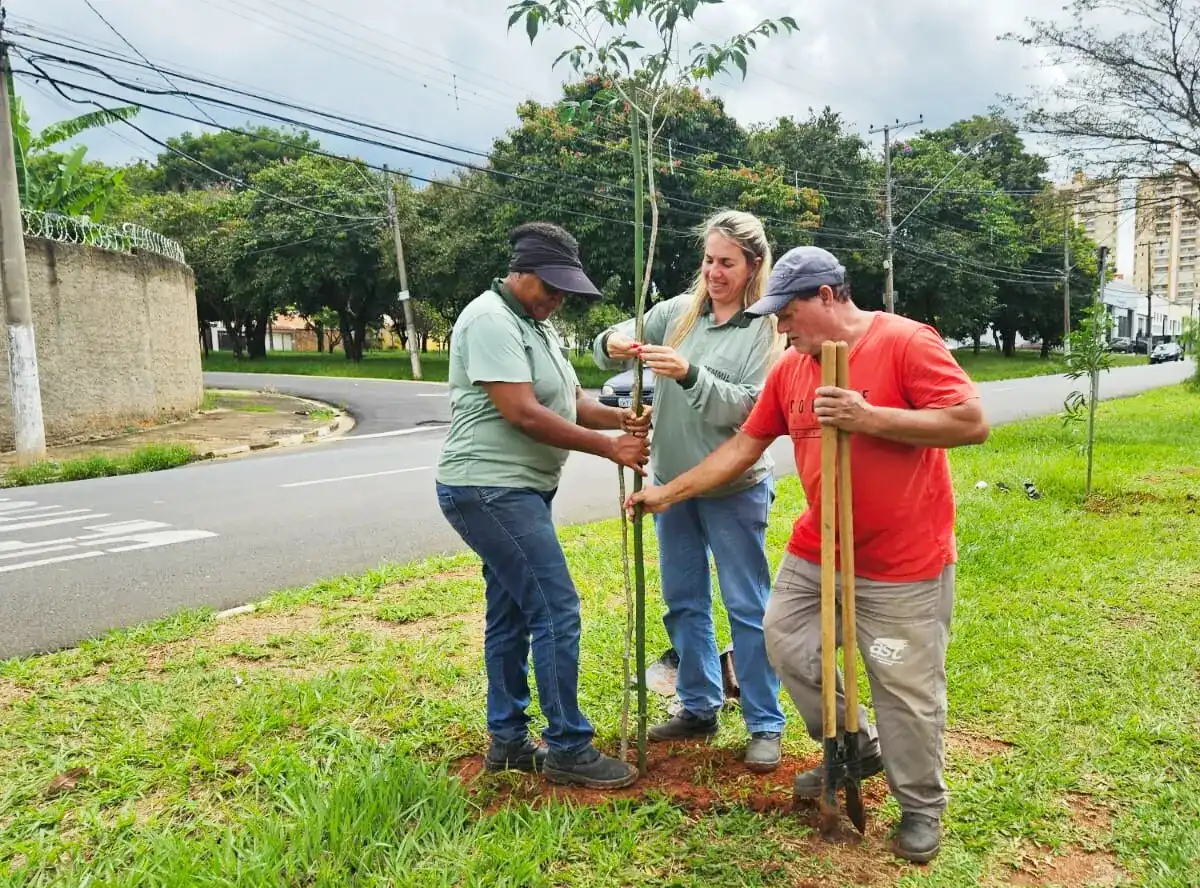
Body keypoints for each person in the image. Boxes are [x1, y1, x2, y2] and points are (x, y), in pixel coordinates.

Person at [626, 246, 989, 863]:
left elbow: (970, 421)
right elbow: (744, 447)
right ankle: (853, 747)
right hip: (819, 549)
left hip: (903, 562)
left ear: (827, 297)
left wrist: (868, 416)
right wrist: (670, 492)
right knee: (784, 642)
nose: (780, 327)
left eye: (788, 313)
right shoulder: (792, 370)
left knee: (903, 685)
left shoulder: (906, 342)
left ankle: (921, 806)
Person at [436, 221, 652, 790]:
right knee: (557, 609)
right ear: (523, 272)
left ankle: (507, 741)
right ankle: (568, 747)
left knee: (510, 612)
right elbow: (524, 413)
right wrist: (611, 448)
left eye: (565, 292)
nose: (559, 300)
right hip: (489, 488)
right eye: (552, 288)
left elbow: (573, 400)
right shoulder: (489, 318)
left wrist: (621, 418)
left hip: (517, 488)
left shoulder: (535, 324)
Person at [592, 210, 788, 772]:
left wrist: (688, 375)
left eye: (727, 262)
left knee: (747, 605)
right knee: (683, 601)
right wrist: (618, 341)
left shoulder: (765, 327)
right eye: (708, 260)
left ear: (753, 264)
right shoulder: (679, 312)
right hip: (670, 487)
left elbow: (751, 407)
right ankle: (699, 705)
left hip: (735, 488)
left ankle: (764, 722)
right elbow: (611, 341)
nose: (714, 272)